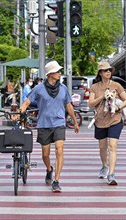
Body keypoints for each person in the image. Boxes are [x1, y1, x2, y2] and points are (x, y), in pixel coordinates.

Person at [19, 60, 79, 192]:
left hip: (59, 123)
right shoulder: (39, 89)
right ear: (50, 74)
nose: (59, 74)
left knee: (59, 150)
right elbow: (27, 102)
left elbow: (68, 105)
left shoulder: (63, 89)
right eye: (57, 71)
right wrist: (19, 112)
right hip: (44, 124)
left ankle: (56, 181)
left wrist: (75, 122)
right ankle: (49, 169)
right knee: (45, 154)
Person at [88, 61, 126, 185]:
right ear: (100, 73)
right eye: (105, 70)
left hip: (115, 120)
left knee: (113, 146)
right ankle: (104, 166)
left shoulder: (116, 85)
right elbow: (91, 104)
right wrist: (102, 96)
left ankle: (111, 174)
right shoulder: (95, 87)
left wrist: (118, 108)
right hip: (100, 121)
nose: (108, 72)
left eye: (109, 70)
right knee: (103, 147)